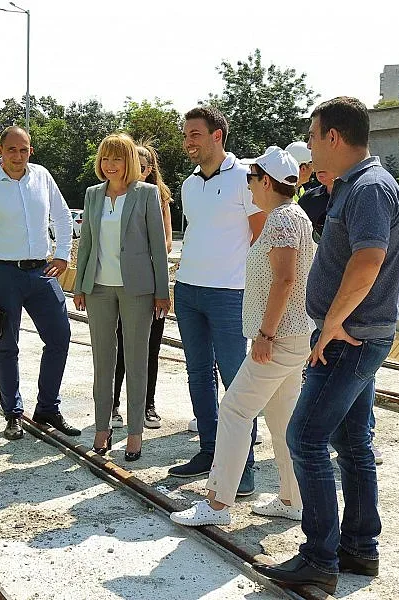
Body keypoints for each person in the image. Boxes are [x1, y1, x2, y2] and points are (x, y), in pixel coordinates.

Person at [254, 97, 399, 594]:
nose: (311, 146)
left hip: (349, 338)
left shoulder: (368, 189)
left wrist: (331, 325)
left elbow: (368, 262)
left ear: (334, 138)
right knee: (351, 442)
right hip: (356, 334)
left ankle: (319, 558)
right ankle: (359, 549)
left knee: (305, 438)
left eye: (314, 135)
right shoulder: (357, 186)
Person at [170, 147, 314, 526]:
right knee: (282, 420)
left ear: (266, 181)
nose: (248, 185)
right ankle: (292, 499)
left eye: (251, 179)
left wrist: (265, 334)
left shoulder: (281, 220)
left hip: (280, 338)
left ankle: (218, 504)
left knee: (233, 410)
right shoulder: (293, 215)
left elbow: (285, 279)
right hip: (294, 336)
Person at [168, 107, 266, 496]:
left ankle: (244, 467)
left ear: (217, 135)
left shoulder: (245, 178)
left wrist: (249, 289)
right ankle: (209, 451)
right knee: (197, 375)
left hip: (230, 294)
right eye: (186, 135)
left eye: (195, 134)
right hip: (190, 291)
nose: (188, 141)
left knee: (236, 381)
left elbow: (259, 238)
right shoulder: (189, 185)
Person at [0, 126, 80, 441]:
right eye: (11, 150)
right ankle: (13, 414)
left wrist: (62, 255)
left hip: (41, 272)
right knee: (7, 344)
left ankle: (47, 407)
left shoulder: (42, 177)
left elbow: (62, 216)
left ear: (30, 150)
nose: (18, 156)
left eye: (23, 150)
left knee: (60, 336)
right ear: (0, 151)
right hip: (3, 273)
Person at [73, 134, 170, 461]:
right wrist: (79, 285)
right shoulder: (92, 195)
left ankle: (134, 432)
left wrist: (162, 290)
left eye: (116, 159)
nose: (109, 165)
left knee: (137, 359)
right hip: (99, 287)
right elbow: (86, 242)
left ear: (128, 161)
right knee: (103, 360)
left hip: (138, 290)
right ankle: (102, 427)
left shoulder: (147, 194)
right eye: (104, 159)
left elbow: (158, 246)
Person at [110, 142, 173, 430]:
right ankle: (113, 405)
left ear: (150, 170)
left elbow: (167, 241)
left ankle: (148, 404)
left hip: (150, 282)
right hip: (123, 283)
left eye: (146, 166)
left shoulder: (158, 197)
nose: (141, 170)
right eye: (137, 164)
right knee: (120, 346)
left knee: (151, 347)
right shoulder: (115, 195)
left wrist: (150, 257)